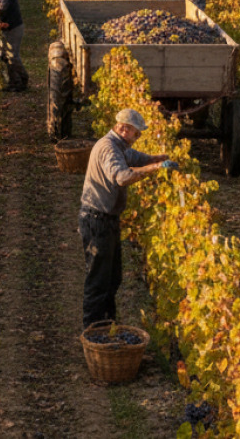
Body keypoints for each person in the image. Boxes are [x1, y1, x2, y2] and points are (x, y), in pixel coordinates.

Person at [79, 109, 175, 327]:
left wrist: (158, 159)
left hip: (107, 219)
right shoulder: (108, 149)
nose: (138, 138)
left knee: (113, 278)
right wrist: (154, 168)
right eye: (136, 134)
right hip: (96, 220)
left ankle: (107, 323)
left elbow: (136, 157)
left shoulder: (120, 147)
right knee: (99, 280)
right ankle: (93, 330)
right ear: (124, 129)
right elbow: (122, 177)